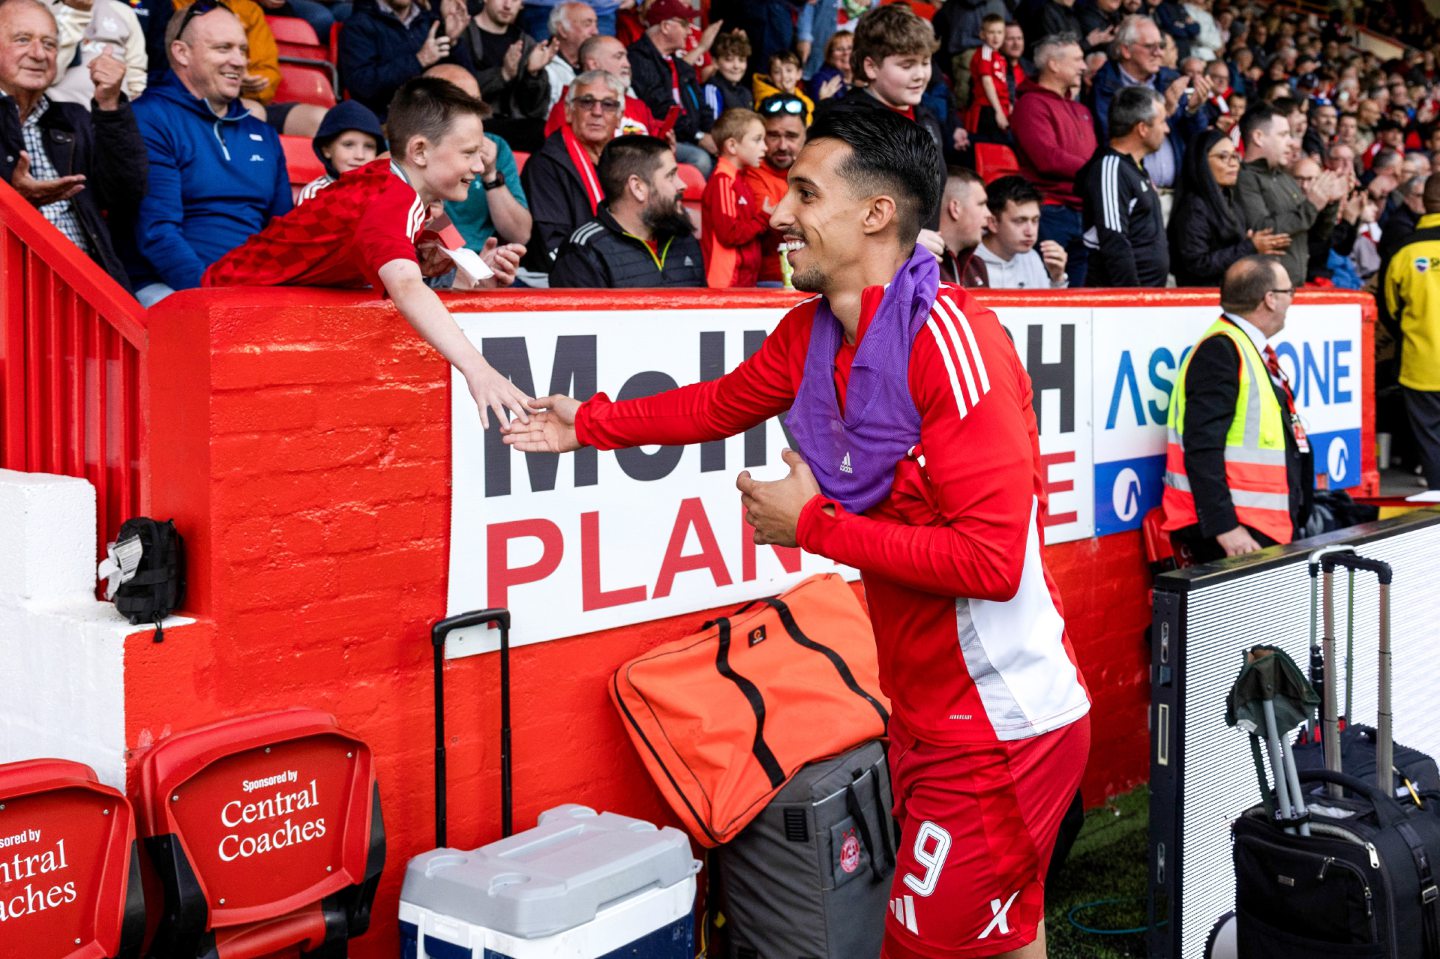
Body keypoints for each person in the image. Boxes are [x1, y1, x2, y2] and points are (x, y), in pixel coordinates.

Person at [503, 105, 1090, 959]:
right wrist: (584, 424)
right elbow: (714, 402)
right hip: (928, 715)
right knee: (1004, 942)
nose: (777, 213)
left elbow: (991, 563)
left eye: (805, 194)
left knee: (919, 948)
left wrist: (810, 523)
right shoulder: (812, 332)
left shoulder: (955, 343)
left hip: (1002, 727)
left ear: (875, 215)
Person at [204, 77, 531, 429]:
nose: (479, 167)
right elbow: (406, 289)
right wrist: (477, 369)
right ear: (420, 151)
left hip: (240, 313)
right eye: (468, 153)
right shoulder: (393, 198)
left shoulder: (394, 185)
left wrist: (456, 267)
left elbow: (387, 257)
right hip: (225, 317)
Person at [126, 1, 288, 305]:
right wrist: (214, 301)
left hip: (249, 293)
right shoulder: (149, 117)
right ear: (181, 52)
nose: (238, 61)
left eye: (242, 49)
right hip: (169, 289)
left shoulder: (264, 134)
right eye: (223, 48)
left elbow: (282, 233)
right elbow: (157, 233)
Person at [1162, 255, 1312, 560]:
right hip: (1239, 534)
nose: (1292, 301)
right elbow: (1202, 446)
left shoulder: (1246, 347)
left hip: (1262, 526)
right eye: (1289, 292)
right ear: (1269, 299)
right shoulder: (1221, 351)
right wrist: (1225, 526)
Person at [0, 0, 145, 288]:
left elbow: (125, 194)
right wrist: (13, 201)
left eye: (50, 44)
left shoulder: (73, 119)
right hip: (14, 293)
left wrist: (109, 105)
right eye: (22, 40)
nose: (39, 54)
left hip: (89, 291)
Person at [825, 2, 945, 242]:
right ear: (871, 67)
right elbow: (830, 211)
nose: (920, 75)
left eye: (925, 62)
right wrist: (902, 238)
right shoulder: (843, 122)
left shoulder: (927, 118)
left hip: (917, 270)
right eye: (907, 65)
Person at [548, 134, 704, 288]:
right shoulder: (583, 252)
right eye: (670, 176)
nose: (682, 184)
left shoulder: (684, 238)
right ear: (637, 188)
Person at [1090, 15, 1211, 199]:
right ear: (1126, 50)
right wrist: (1166, 111)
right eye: (1149, 46)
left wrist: (1193, 111)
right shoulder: (1106, 85)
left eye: (1161, 46)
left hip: (1176, 195)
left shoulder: (1171, 79)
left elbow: (1197, 138)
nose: (1159, 53)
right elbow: (1113, 139)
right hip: (1133, 196)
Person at [520, 68, 623, 277]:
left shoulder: (626, 163)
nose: (597, 111)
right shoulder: (545, 165)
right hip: (566, 280)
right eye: (586, 102)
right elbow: (551, 245)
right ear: (568, 111)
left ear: (619, 117)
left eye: (608, 105)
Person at [1011, 32, 1094, 285]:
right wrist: (1095, 170)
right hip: (1050, 212)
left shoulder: (1081, 108)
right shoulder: (1031, 104)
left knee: (1079, 296)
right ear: (1054, 64)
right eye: (1077, 59)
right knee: (1049, 288)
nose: (1083, 66)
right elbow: (1046, 158)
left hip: (1084, 210)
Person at [1235, 101, 1346, 286]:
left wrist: (1328, 203)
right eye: (1283, 135)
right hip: (1263, 289)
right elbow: (1263, 230)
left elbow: (1317, 234)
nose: (1292, 142)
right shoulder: (1244, 178)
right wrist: (1311, 206)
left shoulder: (1285, 177)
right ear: (1258, 137)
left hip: (1293, 286)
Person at [425, 64, 531, 251]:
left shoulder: (495, 146)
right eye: (463, 105)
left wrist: (490, 175)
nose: (474, 114)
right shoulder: (405, 149)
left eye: (477, 103)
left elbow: (520, 234)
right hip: (426, 264)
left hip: (484, 263)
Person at [1169, 128, 1287, 287]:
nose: (1233, 163)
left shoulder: (1228, 199)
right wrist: (1250, 246)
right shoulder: (1194, 206)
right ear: (1201, 161)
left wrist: (1249, 244)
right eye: (1223, 157)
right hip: (1202, 302)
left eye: (1235, 156)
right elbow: (1197, 264)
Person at [1078, 85, 1169, 287]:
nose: (1166, 129)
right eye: (1162, 122)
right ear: (1142, 128)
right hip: (1125, 305)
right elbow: (1114, 238)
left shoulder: (1135, 168)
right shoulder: (1110, 167)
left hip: (1148, 299)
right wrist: (1130, 299)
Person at [1383, 173, 1440, 487]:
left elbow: (1390, 310)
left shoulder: (1404, 251)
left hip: (1421, 365)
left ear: (1424, 204)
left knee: (1431, 440)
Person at [448, 0, 557, 153]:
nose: (507, 5)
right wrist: (503, 75)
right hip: (469, 121)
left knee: (544, 131)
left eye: (514, 0)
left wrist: (533, 75)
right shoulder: (461, 33)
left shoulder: (526, 42)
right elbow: (455, 89)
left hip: (514, 124)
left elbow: (535, 110)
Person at [628, 0, 714, 177]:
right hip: (656, 140)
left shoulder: (681, 66)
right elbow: (661, 107)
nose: (690, 31)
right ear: (666, 26)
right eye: (684, 24)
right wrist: (698, 136)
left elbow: (703, 108)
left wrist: (714, 135)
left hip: (688, 136)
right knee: (700, 160)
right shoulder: (638, 58)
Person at [338, 0, 451, 118]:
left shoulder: (428, 19)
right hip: (385, 119)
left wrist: (454, 43)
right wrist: (418, 60)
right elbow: (362, 85)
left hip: (433, 113)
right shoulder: (358, 25)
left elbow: (457, 77)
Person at [702, 108, 769, 288]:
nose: (765, 147)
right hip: (726, 283)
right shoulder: (722, 181)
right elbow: (730, 233)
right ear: (731, 146)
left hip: (742, 280)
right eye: (757, 140)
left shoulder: (738, 179)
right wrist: (764, 218)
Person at [745, 93, 806, 285]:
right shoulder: (751, 172)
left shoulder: (820, 170)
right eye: (773, 136)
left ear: (806, 134)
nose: (782, 145)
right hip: (772, 281)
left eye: (791, 136)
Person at [974, 175, 1068, 288]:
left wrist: (1057, 278)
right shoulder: (968, 261)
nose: (1030, 232)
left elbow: (1045, 305)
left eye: (1035, 220)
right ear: (993, 223)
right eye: (1020, 221)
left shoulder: (1032, 258)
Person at [49, 0, 147, 107]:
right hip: (59, 110)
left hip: (114, 110)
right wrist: (78, 10)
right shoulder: (44, 8)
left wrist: (135, 99)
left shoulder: (123, 11)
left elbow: (136, 69)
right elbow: (50, 72)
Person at [297, 99, 384, 203]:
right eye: (348, 145)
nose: (360, 155)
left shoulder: (383, 190)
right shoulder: (314, 194)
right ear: (327, 150)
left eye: (369, 146)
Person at [937, 166, 991, 286]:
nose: (989, 214)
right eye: (981, 204)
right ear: (955, 208)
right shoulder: (921, 265)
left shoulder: (977, 266)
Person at [542, 1, 597, 112]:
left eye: (596, 24)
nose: (595, 32)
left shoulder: (596, 62)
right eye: (587, 24)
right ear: (563, 30)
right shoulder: (543, 65)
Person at [964, 13, 1010, 142]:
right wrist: (999, 111)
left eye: (999, 32)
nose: (996, 37)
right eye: (991, 32)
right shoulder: (985, 53)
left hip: (998, 105)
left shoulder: (999, 56)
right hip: (988, 107)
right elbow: (987, 82)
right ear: (982, 34)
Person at [752, 49, 813, 123]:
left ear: (799, 74)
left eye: (789, 70)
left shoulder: (807, 102)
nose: (784, 76)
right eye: (777, 72)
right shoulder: (766, 102)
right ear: (770, 77)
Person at [704, 30, 753, 117]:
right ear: (715, 62)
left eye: (741, 60)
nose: (736, 66)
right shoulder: (712, 89)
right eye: (729, 60)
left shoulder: (745, 92)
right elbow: (712, 127)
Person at [808, 29, 851, 100]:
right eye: (839, 49)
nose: (846, 53)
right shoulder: (820, 80)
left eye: (850, 48)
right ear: (829, 55)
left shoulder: (865, 78)